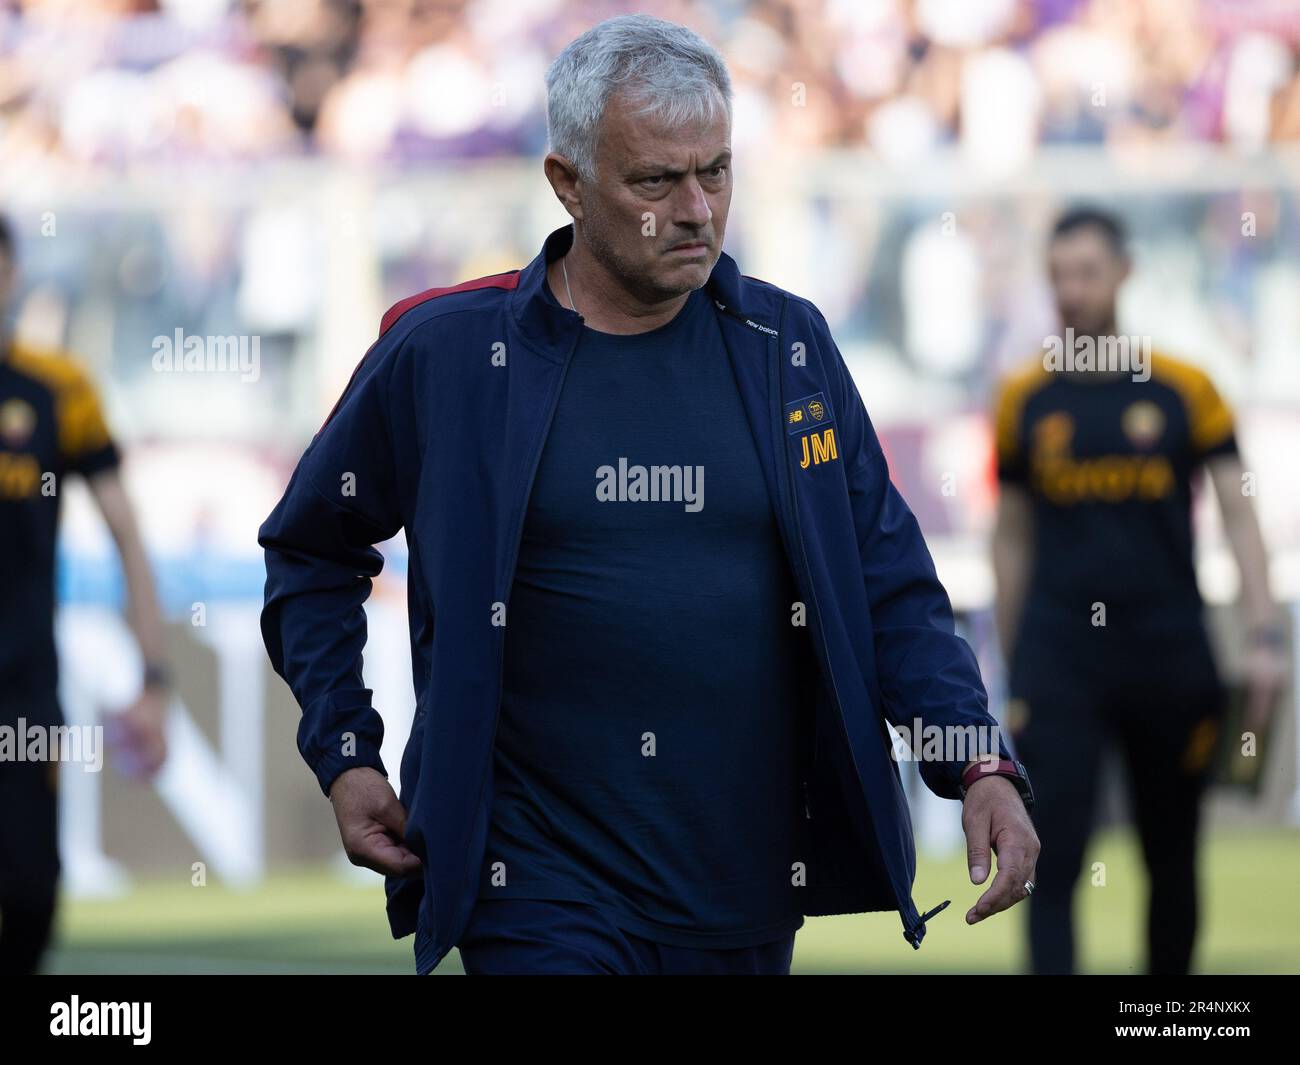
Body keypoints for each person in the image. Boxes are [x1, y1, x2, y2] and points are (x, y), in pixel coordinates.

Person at [260, 14, 1038, 977]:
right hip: (536, 886)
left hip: (742, 889)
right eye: (656, 182)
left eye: (715, 171)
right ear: (568, 184)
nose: (698, 209)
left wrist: (977, 761)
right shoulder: (448, 354)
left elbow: (890, 587)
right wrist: (346, 750)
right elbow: (312, 548)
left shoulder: (787, 349)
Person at [991, 206, 1287, 975]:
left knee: (1173, 854)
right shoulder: (1025, 399)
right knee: (1049, 862)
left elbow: (1239, 515)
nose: (1071, 291)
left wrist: (1264, 636)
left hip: (1168, 655)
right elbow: (1012, 536)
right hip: (1061, 662)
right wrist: (1014, 660)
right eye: (1058, 275)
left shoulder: (1188, 390)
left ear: (1124, 274)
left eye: (1087, 272)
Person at [0, 214, 169, 974]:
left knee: (32, 890)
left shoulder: (57, 389)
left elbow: (126, 532)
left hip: (22, 690)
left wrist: (155, 678)